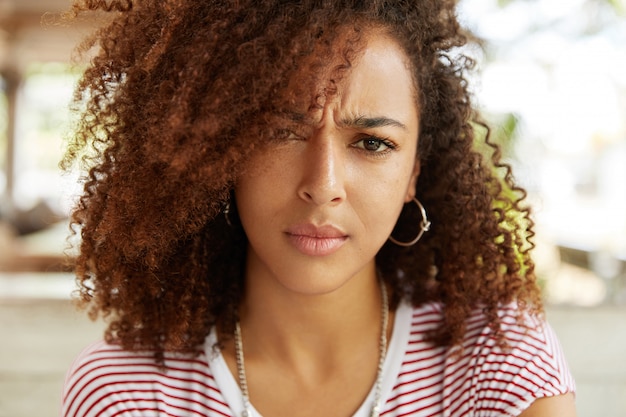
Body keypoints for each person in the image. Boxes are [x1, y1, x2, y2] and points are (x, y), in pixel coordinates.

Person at [61, 0, 576, 416]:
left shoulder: (502, 366)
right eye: (281, 133)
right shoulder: (125, 394)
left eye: (372, 143)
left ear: (414, 172)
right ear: (223, 154)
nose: (323, 185)